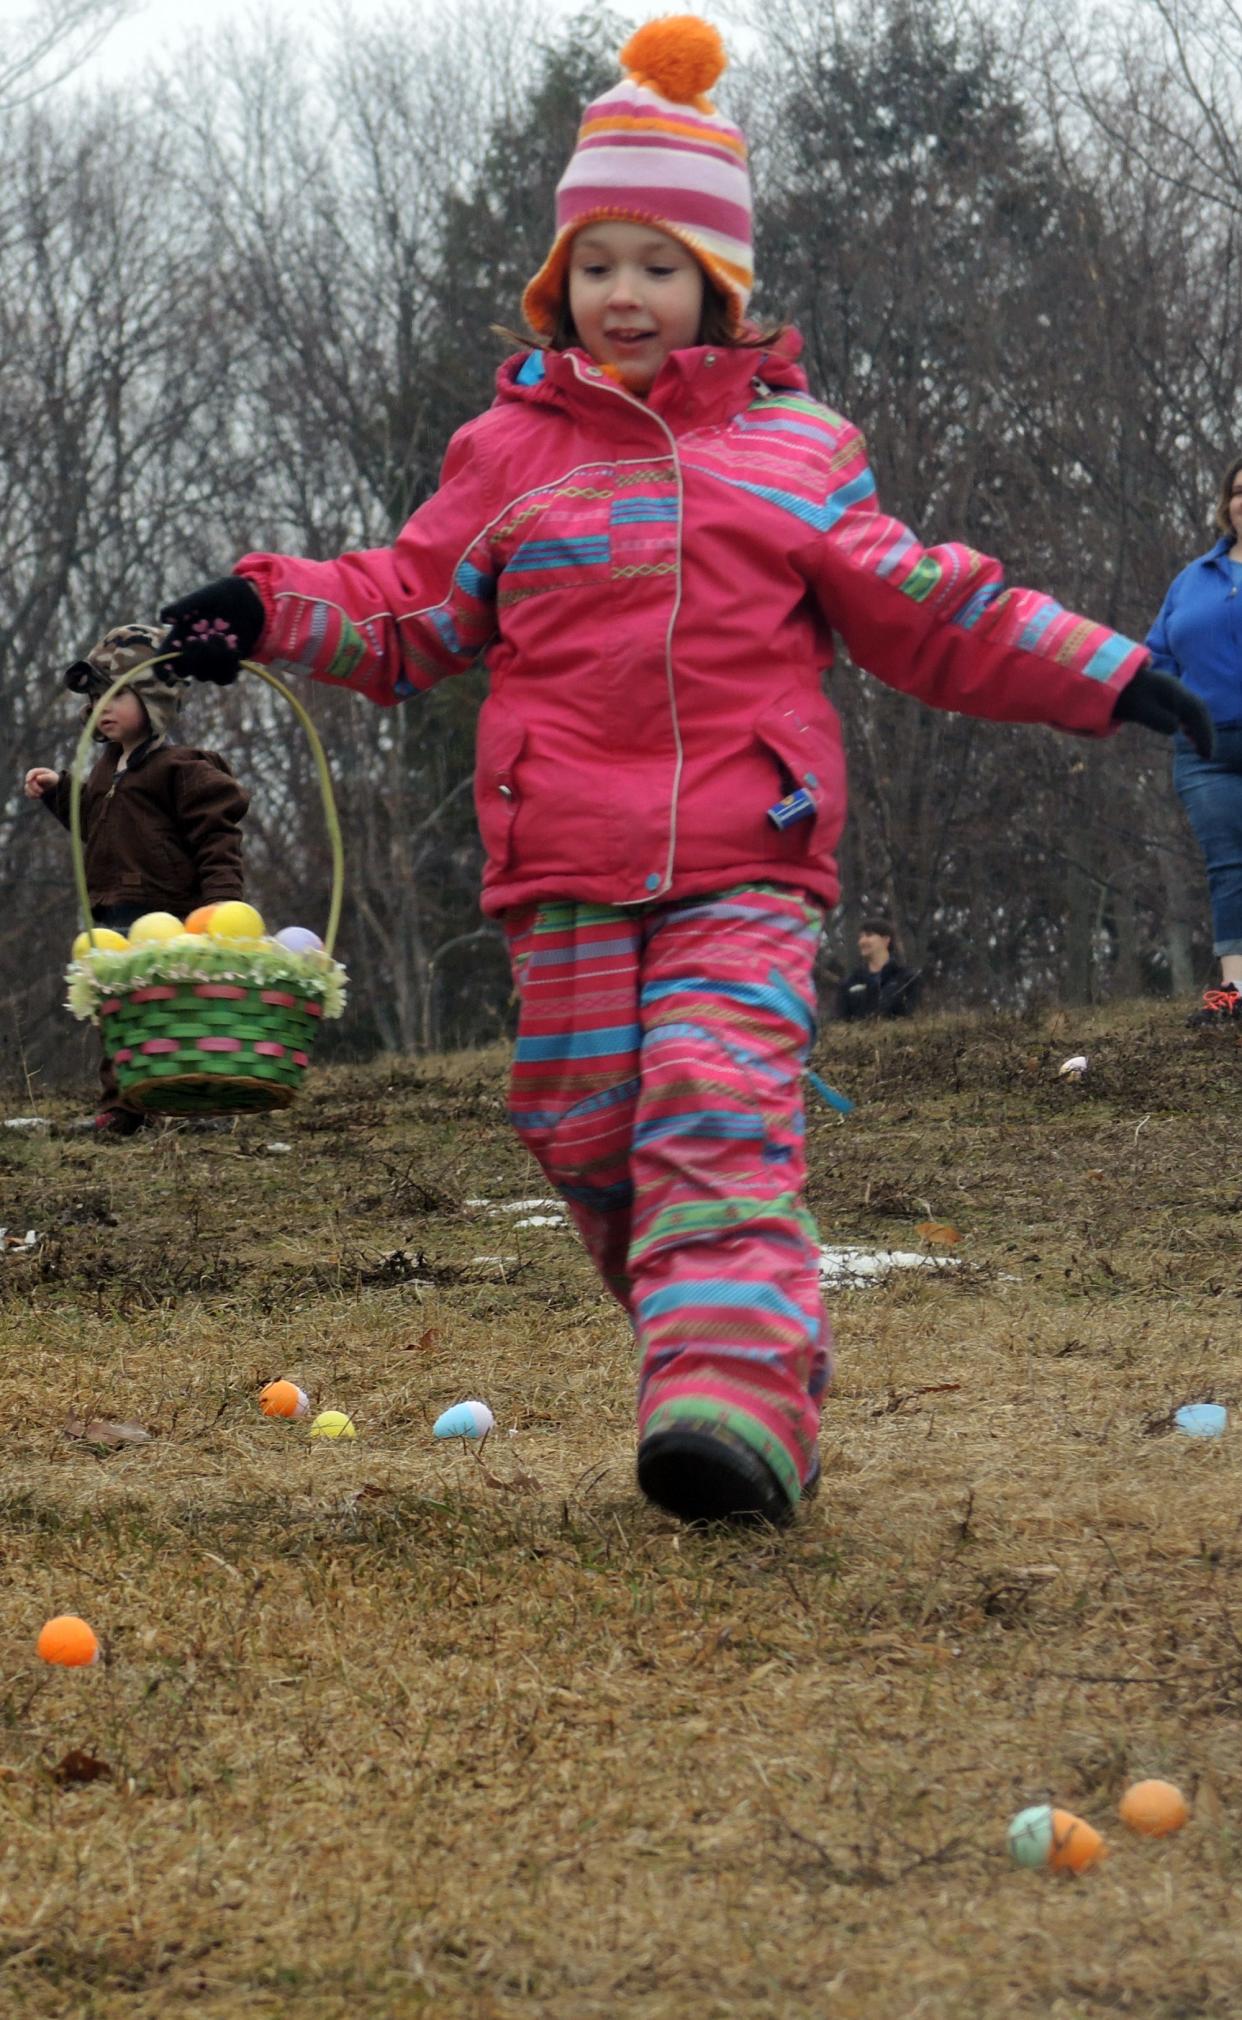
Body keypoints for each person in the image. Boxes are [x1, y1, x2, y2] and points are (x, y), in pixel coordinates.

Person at [151, 15, 1211, 1523]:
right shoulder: (510, 457)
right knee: (584, 1127)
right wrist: (259, 611)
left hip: (746, 850)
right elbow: (405, 610)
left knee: (711, 1105)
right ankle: (714, 1364)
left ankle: (734, 1410)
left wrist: (1114, 675)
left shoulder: (794, 453)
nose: (624, 294)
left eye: (658, 266)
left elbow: (929, 608)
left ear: (716, 286)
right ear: (559, 284)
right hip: (564, 863)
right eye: (597, 265)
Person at [24, 623, 249, 1136]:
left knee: (182, 1012)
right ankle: (123, 1108)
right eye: (98, 695)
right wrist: (62, 792)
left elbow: (218, 838)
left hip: (169, 914)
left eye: (119, 694)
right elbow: (96, 822)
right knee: (120, 1012)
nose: (104, 706)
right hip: (113, 911)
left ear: (154, 699)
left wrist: (221, 906)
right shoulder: (107, 769)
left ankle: (204, 1105)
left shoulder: (182, 769)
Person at [1147, 453, 1242, 1025]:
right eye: (1237, 491)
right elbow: (1157, 654)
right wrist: (1176, 707)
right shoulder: (1192, 578)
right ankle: (1236, 993)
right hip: (1205, 753)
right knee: (1228, 865)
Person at [836, 918, 921, 1020]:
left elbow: (915, 1016)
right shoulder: (850, 982)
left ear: (886, 940)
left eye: (869, 935)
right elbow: (839, 1021)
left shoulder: (908, 979)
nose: (862, 941)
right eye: (860, 937)